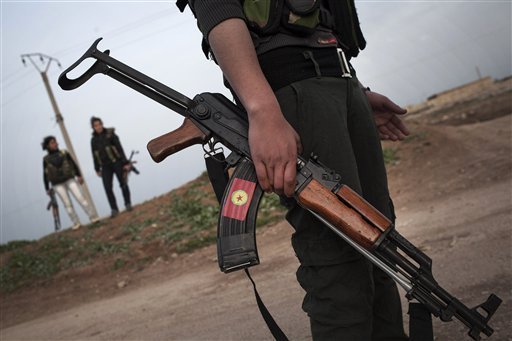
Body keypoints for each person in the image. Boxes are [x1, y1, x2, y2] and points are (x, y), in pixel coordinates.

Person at [183, 1, 411, 340]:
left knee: (379, 244)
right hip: (289, 87)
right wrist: (262, 110)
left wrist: (351, 87)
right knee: (339, 259)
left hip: (338, 78)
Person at [42, 136, 98, 230]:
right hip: (57, 184)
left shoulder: (64, 152)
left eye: (55, 142)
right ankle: (76, 223)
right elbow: (45, 174)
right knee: (67, 204)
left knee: (81, 198)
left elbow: (73, 164)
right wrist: (47, 188)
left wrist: (79, 175)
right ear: (47, 146)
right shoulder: (45, 159)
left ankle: (93, 217)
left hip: (70, 179)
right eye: (52, 142)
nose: (55, 144)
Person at [90, 116, 132, 217]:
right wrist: (96, 168)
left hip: (117, 162)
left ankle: (128, 204)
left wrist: (125, 163)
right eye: (96, 125)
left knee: (123, 183)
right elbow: (94, 155)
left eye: (99, 124)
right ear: (93, 127)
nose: (98, 127)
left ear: (102, 124)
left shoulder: (110, 134)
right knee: (107, 187)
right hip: (105, 166)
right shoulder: (93, 140)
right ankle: (114, 209)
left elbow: (119, 148)